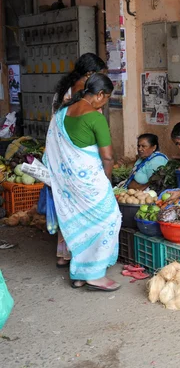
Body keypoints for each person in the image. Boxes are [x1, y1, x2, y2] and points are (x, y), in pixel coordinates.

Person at [43, 73, 121, 291]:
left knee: (81, 225)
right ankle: (94, 275)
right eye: (106, 99)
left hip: (68, 183)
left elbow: (52, 149)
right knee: (109, 220)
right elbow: (107, 157)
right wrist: (106, 181)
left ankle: (79, 273)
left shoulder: (62, 113)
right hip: (90, 183)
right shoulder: (95, 118)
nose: (104, 104)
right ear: (100, 95)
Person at [51, 53, 108, 268]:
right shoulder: (82, 94)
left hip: (63, 155)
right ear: (89, 74)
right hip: (78, 156)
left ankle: (63, 254)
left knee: (67, 206)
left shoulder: (63, 88)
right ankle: (82, 257)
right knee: (81, 209)